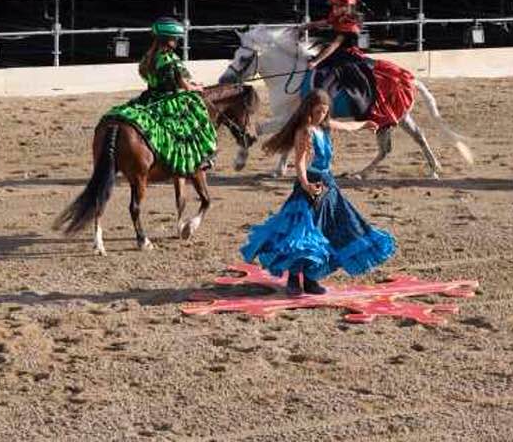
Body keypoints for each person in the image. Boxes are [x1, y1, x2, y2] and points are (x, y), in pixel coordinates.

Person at [240, 89, 396, 296]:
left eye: (325, 111)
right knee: (302, 235)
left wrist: (364, 124)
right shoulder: (305, 131)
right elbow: (300, 162)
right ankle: (294, 279)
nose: (322, 115)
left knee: (326, 231)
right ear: (309, 110)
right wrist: (305, 183)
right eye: (318, 111)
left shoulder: (325, 127)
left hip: (328, 186)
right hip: (309, 188)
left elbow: (347, 126)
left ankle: (311, 279)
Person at [103, 17, 218, 175]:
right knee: (197, 117)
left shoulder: (148, 58)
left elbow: (148, 78)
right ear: (168, 39)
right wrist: (197, 87)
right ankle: (199, 160)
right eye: (174, 39)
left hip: (150, 97)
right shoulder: (172, 60)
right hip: (169, 100)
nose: (176, 42)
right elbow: (185, 86)